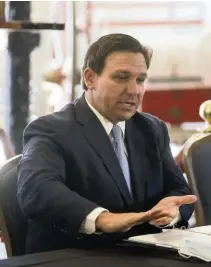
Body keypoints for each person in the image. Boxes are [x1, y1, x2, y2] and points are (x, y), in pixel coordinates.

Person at [17, 33, 197, 254]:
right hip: (75, 256)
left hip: (142, 256)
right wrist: (102, 219)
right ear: (90, 78)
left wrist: (171, 211)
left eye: (140, 80)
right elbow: (37, 190)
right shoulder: (51, 130)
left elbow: (179, 189)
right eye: (121, 77)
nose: (134, 91)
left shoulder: (152, 129)